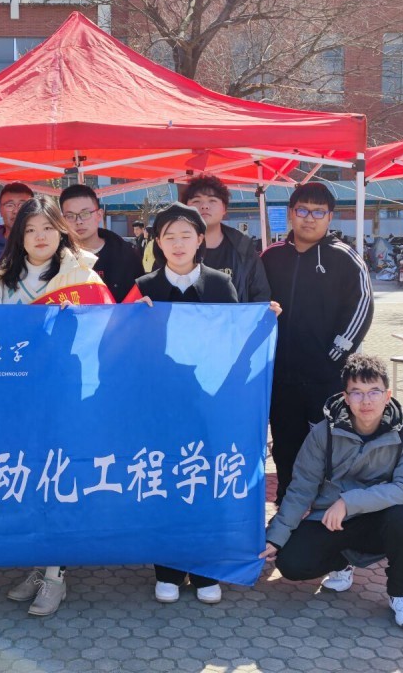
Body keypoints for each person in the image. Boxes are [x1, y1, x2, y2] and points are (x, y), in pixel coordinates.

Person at [126, 202, 279, 605]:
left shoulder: (220, 284)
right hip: (159, 406)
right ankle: (167, 568)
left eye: (186, 235)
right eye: (169, 236)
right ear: (157, 243)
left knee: (205, 482)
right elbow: (119, 344)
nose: (178, 244)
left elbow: (233, 340)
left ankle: (206, 567)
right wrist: (129, 317)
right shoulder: (143, 287)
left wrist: (262, 320)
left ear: (199, 240)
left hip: (209, 403)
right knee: (163, 481)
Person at [0, 195, 112, 616]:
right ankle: (39, 564)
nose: (39, 237)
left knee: (59, 478)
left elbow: (106, 333)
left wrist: (82, 319)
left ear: (61, 230)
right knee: (28, 480)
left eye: (48, 227)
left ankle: (56, 574)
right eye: (30, 229)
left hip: (64, 395)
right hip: (16, 399)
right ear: (18, 235)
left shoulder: (82, 275)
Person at [260, 354, 403, 632]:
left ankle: (402, 595)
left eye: (374, 392)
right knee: (291, 563)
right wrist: (276, 536)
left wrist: (348, 503)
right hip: (330, 520)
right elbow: (301, 488)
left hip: (378, 519)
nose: (366, 401)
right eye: (357, 393)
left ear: (387, 395)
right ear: (345, 397)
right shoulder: (323, 433)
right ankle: (343, 563)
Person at [261, 182, 373, 505]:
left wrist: (334, 356)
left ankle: (326, 512)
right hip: (280, 378)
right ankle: (287, 507)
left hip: (326, 378)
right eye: (303, 210)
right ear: (290, 214)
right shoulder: (270, 257)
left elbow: (362, 306)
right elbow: (252, 301)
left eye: (318, 212)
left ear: (330, 217)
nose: (309, 218)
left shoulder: (344, 258)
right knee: (285, 446)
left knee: (328, 448)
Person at [177, 175, 270, 303]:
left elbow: (260, 294)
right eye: (196, 201)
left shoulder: (243, 248)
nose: (204, 206)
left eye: (212, 200)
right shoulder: (173, 247)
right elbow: (158, 290)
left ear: (224, 209)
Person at [59, 184, 144, 302]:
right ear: (62, 220)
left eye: (85, 214)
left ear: (99, 215)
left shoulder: (126, 254)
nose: (78, 221)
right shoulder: (56, 258)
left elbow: (140, 295)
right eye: (70, 216)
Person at [0, 182, 34, 259]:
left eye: (23, 205)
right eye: (10, 205)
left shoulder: (42, 247)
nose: (16, 211)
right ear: (0, 210)